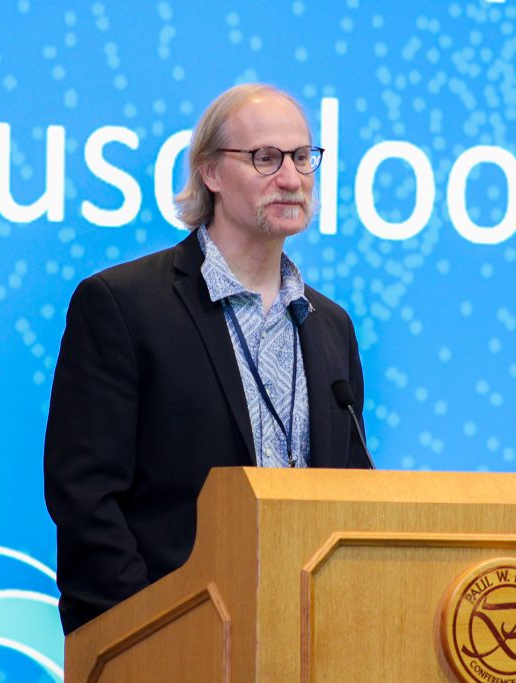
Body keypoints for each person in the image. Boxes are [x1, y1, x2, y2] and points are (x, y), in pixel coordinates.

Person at [43, 83, 371, 636]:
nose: (291, 179)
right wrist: (155, 631)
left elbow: (353, 495)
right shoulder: (123, 305)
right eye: (265, 158)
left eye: (301, 157)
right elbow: (85, 499)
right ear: (210, 173)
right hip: (163, 642)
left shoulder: (330, 325)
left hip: (305, 643)